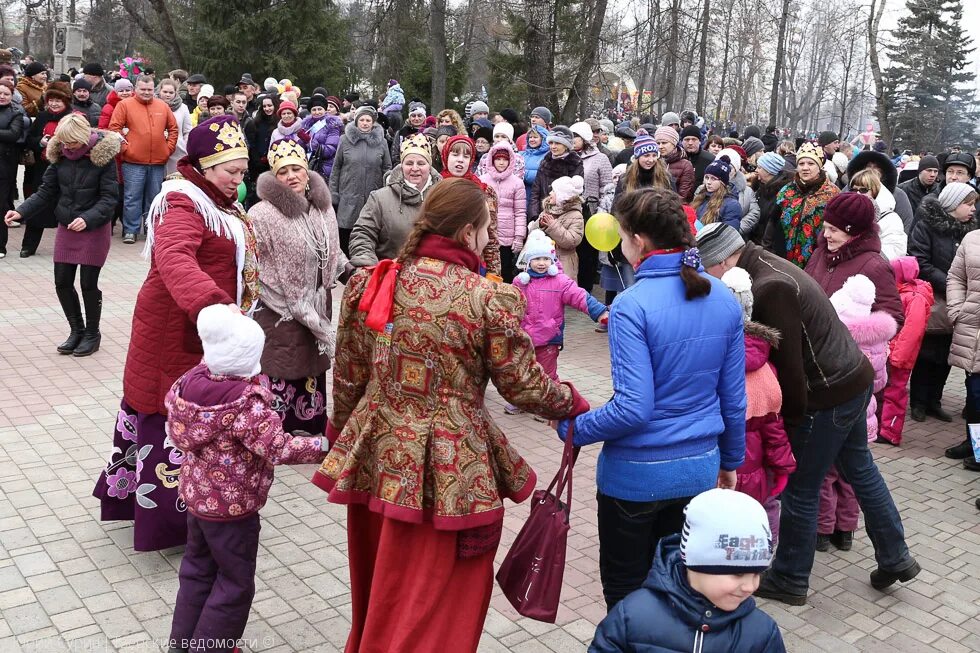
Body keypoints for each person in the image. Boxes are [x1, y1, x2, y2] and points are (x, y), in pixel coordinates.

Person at [312, 177, 590, 653]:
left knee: (384, 583)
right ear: (466, 233)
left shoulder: (375, 280)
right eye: (486, 229)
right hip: (452, 470)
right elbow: (522, 385)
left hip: (376, 457)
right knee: (437, 597)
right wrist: (571, 400)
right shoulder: (484, 298)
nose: (490, 239)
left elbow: (349, 374)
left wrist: (341, 435)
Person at [697, 222, 920, 606]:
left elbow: (792, 367)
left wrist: (792, 422)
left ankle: (791, 577)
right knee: (861, 470)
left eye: (707, 269)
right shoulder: (763, 266)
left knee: (801, 488)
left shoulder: (770, 286)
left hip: (828, 392)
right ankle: (896, 555)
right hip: (850, 380)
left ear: (721, 261)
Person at [559, 188, 745, 610]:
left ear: (638, 241)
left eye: (623, 236)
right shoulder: (723, 299)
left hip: (635, 480)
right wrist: (731, 461)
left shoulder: (630, 306)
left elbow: (632, 407)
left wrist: (574, 428)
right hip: (699, 471)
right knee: (679, 595)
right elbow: (733, 400)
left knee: (626, 597)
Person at [92, 116, 258, 552]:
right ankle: (169, 523)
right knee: (170, 419)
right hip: (177, 330)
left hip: (203, 331)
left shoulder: (219, 202)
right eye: (233, 172)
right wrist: (213, 305)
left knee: (195, 417)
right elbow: (175, 258)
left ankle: (205, 506)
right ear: (203, 165)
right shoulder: (182, 202)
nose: (240, 180)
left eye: (244, 172)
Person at [166, 305, 328, 653]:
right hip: (233, 511)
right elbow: (279, 447)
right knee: (235, 583)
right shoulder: (246, 407)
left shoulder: (190, 385)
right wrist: (321, 444)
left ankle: (181, 644)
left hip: (197, 501)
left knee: (196, 571)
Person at [589, 489, 786, 653]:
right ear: (697, 563)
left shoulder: (762, 633)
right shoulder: (632, 616)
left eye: (757, 573)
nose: (751, 586)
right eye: (738, 574)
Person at [247, 137, 349, 436]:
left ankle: (311, 431)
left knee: (312, 369)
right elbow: (252, 264)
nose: (291, 176)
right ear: (274, 178)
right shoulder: (262, 214)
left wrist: (349, 271)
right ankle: (274, 436)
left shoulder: (323, 208)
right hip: (279, 309)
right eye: (283, 171)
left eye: (296, 169)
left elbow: (331, 250)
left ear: (307, 171)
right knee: (282, 367)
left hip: (317, 304)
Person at [3, 115, 120, 354]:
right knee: (62, 281)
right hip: (68, 225)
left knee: (88, 283)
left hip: (94, 228)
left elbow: (109, 198)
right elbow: (46, 191)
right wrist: (20, 212)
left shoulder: (103, 158)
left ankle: (92, 334)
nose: (67, 148)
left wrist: (88, 218)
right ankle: (76, 330)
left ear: (84, 139)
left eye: (72, 144)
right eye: (63, 143)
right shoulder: (59, 157)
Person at [817, 275, 897, 552]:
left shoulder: (839, 336)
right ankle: (847, 530)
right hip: (866, 412)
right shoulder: (878, 340)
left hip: (837, 412)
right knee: (850, 476)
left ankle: (823, 530)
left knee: (826, 474)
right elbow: (881, 382)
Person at [720, 267, 796, 543]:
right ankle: (763, 553)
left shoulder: (711, 361)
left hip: (720, 469)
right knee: (764, 510)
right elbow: (774, 428)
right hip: (755, 472)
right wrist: (781, 467)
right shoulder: (766, 370)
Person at [505, 229, 607, 415]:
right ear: (528, 262)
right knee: (522, 372)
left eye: (545, 259)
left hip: (549, 338)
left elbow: (579, 296)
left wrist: (600, 312)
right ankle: (522, 402)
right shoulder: (520, 283)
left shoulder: (560, 282)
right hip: (524, 338)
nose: (542, 263)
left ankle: (549, 406)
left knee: (548, 375)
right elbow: (509, 304)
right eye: (536, 259)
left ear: (552, 261)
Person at [908, 183, 978, 424]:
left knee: (946, 355)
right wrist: (951, 284)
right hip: (933, 299)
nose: (972, 209)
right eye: (967, 204)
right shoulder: (927, 225)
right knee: (926, 353)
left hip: (958, 303)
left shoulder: (970, 231)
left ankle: (934, 401)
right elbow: (920, 260)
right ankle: (918, 402)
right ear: (952, 205)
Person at [349, 133, 441, 267]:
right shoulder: (380, 199)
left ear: (430, 166)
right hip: (392, 278)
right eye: (409, 163)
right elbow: (362, 234)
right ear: (401, 166)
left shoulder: (444, 198)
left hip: (435, 279)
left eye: (421, 163)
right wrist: (370, 266)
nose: (415, 168)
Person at [109, 74, 177, 244]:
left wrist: (167, 149)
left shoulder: (163, 106)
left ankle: (150, 230)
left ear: (154, 90)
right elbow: (114, 129)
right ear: (135, 89)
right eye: (143, 89)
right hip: (132, 162)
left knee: (154, 197)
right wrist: (126, 149)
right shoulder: (124, 105)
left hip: (158, 162)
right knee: (132, 197)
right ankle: (130, 230)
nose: (147, 92)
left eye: (150, 89)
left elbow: (173, 129)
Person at [878, 257, 933, 446]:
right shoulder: (902, 292)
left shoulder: (915, 297)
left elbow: (912, 331)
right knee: (887, 391)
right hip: (892, 352)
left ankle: (890, 432)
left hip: (900, 356)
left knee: (895, 392)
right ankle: (882, 427)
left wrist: (898, 358)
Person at [20, 81, 73, 257]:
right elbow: (30, 139)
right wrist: (39, 142)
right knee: (37, 206)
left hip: (67, 169)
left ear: (66, 101)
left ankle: (67, 248)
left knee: (67, 209)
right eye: (51, 100)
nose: (54, 103)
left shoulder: (73, 117)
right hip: (42, 169)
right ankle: (28, 246)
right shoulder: (42, 117)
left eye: (58, 100)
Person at [329, 105, 391, 255]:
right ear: (356, 122)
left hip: (372, 196)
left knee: (369, 233)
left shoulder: (381, 142)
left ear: (373, 122)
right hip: (348, 195)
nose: (365, 123)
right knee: (346, 235)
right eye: (362, 120)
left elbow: (387, 168)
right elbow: (336, 167)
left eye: (368, 120)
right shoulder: (344, 140)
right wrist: (333, 193)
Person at [438, 134, 501, 276]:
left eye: (466, 156)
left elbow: (491, 237)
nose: (460, 160)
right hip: (441, 264)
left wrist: (493, 273)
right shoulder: (435, 187)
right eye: (455, 154)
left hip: (473, 265)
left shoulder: (484, 191)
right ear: (446, 156)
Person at [947, 220, 980, 471]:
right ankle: (974, 444)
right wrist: (956, 311)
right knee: (974, 392)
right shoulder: (972, 239)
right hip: (972, 329)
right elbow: (956, 276)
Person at [776, 142, 840, 267]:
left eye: (811, 163)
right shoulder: (786, 191)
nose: (805, 168)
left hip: (817, 262)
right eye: (801, 163)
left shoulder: (833, 194)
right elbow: (773, 225)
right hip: (783, 260)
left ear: (820, 166)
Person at [480, 142, 525, 282]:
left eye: (505, 159)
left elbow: (520, 212)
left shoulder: (517, 183)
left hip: (507, 237)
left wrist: (519, 237)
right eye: (498, 159)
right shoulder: (482, 180)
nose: (501, 162)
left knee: (505, 273)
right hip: (486, 234)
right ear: (492, 160)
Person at [528, 175, 584, 278]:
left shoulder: (576, 215)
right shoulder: (548, 210)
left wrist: (552, 226)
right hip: (543, 260)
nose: (550, 193)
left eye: (553, 191)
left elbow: (572, 241)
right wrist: (539, 224)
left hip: (564, 262)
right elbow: (532, 234)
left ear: (562, 196)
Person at [850, 168, 907, 260]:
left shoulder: (890, 219)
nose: (857, 194)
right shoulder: (846, 213)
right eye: (853, 190)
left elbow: (896, 251)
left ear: (875, 191)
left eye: (863, 190)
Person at [529, 126, 584, 221]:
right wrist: (534, 216)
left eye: (558, 143)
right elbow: (535, 192)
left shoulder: (575, 163)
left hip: (564, 218)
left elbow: (574, 195)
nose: (553, 146)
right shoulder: (545, 162)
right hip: (542, 215)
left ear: (566, 145)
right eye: (551, 143)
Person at [0, 79, 24, 259]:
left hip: (4, 167)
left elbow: (13, 134)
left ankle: (1, 246)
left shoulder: (15, 113)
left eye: (6, 94)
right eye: (0, 93)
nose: (2, 97)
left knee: (1, 206)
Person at [692, 156, 741, 229]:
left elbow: (728, 232)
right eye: (707, 177)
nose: (708, 182)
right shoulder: (701, 196)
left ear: (722, 182)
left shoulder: (732, 205)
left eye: (713, 179)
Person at [300, 96, 343, 182]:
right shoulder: (306, 126)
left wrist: (309, 141)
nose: (317, 112)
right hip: (308, 165)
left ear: (325, 110)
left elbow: (330, 150)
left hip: (324, 167)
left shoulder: (332, 125)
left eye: (319, 109)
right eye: (314, 110)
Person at [157, 78, 192, 177]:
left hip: (178, 150)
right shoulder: (153, 105)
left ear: (175, 93)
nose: (168, 95)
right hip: (157, 151)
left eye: (171, 92)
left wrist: (186, 145)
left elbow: (187, 130)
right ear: (159, 91)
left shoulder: (183, 108)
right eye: (165, 92)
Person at [654, 125, 695, 201]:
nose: (660, 146)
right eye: (658, 143)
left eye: (664, 143)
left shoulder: (685, 165)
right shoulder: (653, 161)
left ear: (674, 144)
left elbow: (684, 196)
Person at [520, 124, 549, 213]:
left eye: (535, 137)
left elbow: (541, 175)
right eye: (530, 137)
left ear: (543, 138)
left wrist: (523, 173)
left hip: (538, 197)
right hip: (521, 196)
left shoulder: (548, 155)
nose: (532, 140)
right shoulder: (521, 154)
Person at [681, 124, 714, 188]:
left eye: (694, 139)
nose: (690, 143)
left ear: (699, 141)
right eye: (687, 139)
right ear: (682, 141)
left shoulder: (710, 160)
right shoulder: (676, 158)